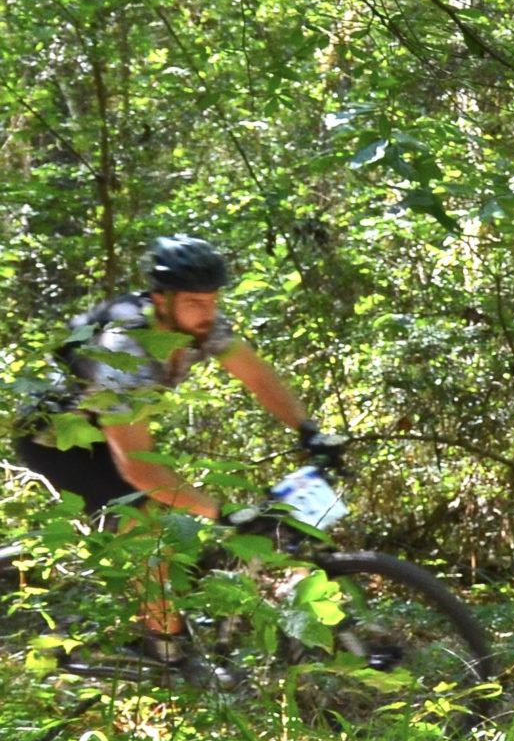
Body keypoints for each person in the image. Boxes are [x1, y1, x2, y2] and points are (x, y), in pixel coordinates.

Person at [15, 236, 342, 661]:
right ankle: (165, 655)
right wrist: (223, 513)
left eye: (212, 300)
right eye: (194, 302)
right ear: (161, 299)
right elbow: (139, 472)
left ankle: (162, 608)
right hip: (55, 441)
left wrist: (308, 430)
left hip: (107, 425)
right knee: (148, 519)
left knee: (175, 519)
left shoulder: (198, 322)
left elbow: (257, 375)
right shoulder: (124, 346)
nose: (207, 312)